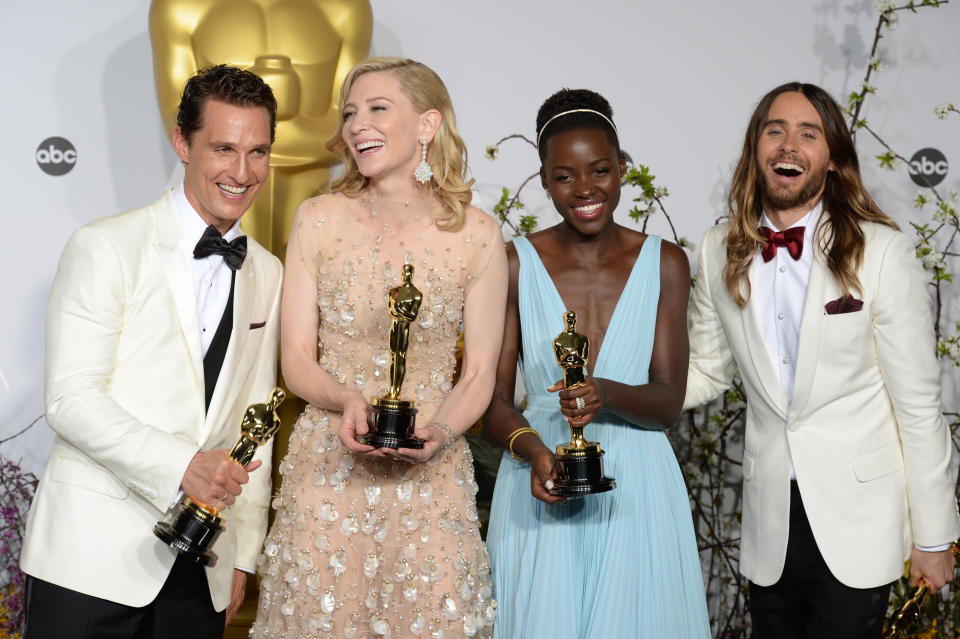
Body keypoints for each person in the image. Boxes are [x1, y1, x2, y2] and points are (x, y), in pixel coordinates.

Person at [683, 81, 960, 638]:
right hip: (768, 522)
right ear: (755, 148)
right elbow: (708, 368)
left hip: (859, 519)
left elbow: (918, 408)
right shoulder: (718, 248)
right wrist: (615, 393)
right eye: (775, 130)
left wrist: (933, 536)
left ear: (832, 158)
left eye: (808, 134)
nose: (789, 146)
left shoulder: (881, 251)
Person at [20, 64, 283, 639]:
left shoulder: (268, 271)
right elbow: (70, 399)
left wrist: (244, 555)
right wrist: (182, 468)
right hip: (88, 561)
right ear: (182, 143)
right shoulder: (105, 246)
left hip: (203, 566)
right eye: (223, 148)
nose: (242, 172)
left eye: (258, 152)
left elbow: (256, 419)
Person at [251, 57, 506, 639]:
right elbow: (295, 359)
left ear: (427, 124)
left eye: (377, 108)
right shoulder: (317, 219)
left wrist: (439, 434)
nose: (356, 124)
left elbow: (479, 374)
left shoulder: (477, 233)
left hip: (432, 481)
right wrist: (345, 400)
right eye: (348, 113)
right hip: (328, 471)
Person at [483, 89, 711, 639]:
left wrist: (605, 392)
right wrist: (537, 452)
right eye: (564, 176)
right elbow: (490, 405)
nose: (584, 189)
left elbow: (666, 404)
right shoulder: (513, 262)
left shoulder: (667, 262)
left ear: (623, 169)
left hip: (639, 491)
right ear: (543, 180)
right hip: (539, 485)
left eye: (600, 170)